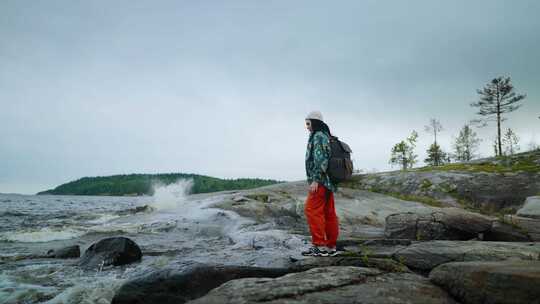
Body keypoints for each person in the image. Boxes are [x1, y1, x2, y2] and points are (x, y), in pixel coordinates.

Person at [302, 111, 339, 257]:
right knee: (329, 213)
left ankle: (320, 246)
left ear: (315, 122)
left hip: (321, 181)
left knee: (312, 210)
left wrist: (316, 179)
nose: (307, 127)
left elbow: (321, 159)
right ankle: (331, 246)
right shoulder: (325, 135)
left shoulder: (318, 136)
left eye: (308, 123)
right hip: (329, 182)